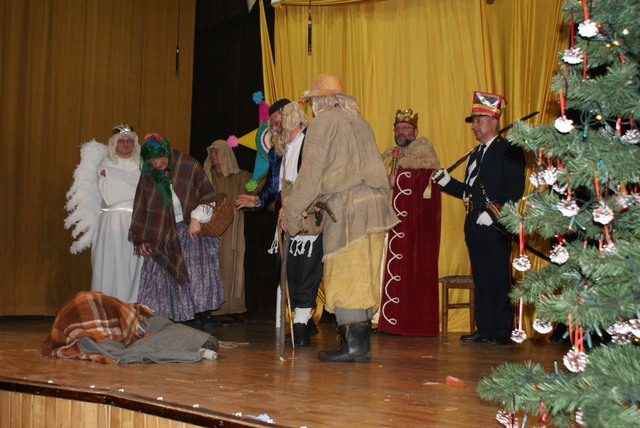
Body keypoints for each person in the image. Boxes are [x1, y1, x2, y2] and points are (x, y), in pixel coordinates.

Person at [280, 74, 399, 362]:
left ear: (320, 101)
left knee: (346, 275)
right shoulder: (361, 122)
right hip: (375, 208)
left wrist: (291, 212)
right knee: (364, 275)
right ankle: (358, 346)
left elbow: (310, 176)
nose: (312, 107)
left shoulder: (323, 123)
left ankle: (353, 346)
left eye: (312, 101)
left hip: (348, 209)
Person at [433, 91, 525, 345]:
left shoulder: (510, 150)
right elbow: (469, 192)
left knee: (499, 277)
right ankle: (484, 329)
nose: (474, 126)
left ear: (494, 121)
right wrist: (448, 183)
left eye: (478, 120)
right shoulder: (474, 155)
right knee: (482, 278)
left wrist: (494, 213)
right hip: (473, 222)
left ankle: (503, 330)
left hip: (496, 224)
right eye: (473, 121)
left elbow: (515, 189)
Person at [236, 100, 324, 347]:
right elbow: (272, 187)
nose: (274, 128)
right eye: (272, 125)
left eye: (277, 122)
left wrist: (295, 204)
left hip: (311, 216)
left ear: (292, 116)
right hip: (286, 219)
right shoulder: (278, 152)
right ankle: (305, 319)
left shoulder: (312, 142)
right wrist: (258, 200)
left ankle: (300, 325)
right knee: (289, 271)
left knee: (306, 270)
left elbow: (317, 181)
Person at [129, 133, 225, 330]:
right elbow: (142, 206)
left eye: (160, 158)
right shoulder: (148, 174)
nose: (157, 164)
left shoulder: (187, 165)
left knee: (196, 276)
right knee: (160, 279)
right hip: (161, 233)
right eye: (152, 160)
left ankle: (205, 317)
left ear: (167, 152)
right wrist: (141, 238)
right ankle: (163, 322)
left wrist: (197, 218)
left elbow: (209, 196)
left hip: (189, 228)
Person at [377, 109, 442, 336]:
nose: (401, 132)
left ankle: (405, 321)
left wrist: (399, 179)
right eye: (397, 129)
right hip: (386, 223)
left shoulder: (424, 152)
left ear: (416, 131)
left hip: (412, 228)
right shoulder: (389, 156)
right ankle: (382, 320)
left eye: (405, 128)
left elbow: (428, 180)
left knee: (407, 271)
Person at [64, 124, 143, 303]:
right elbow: (111, 195)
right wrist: (133, 184)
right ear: (114, 143)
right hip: (111, 222)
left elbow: (143, 191)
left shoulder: (141, 164)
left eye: (129, 141)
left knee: (132, 264)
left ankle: (131, 307)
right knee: (109, 263)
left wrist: (115, 177)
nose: (126, 144)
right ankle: (106, 306)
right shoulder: (106, 162)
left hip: (135, 220)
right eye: (121, 141)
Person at [203, 139, 252, 321]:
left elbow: (258, 187)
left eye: (216, 151)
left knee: (233, 267)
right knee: (213, 269)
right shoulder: (206, 177)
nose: (213, 155)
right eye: (211, 152)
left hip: (233, 230)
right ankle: (214, 309)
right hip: (210, 230)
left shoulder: (240, 177)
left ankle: (235, 308)